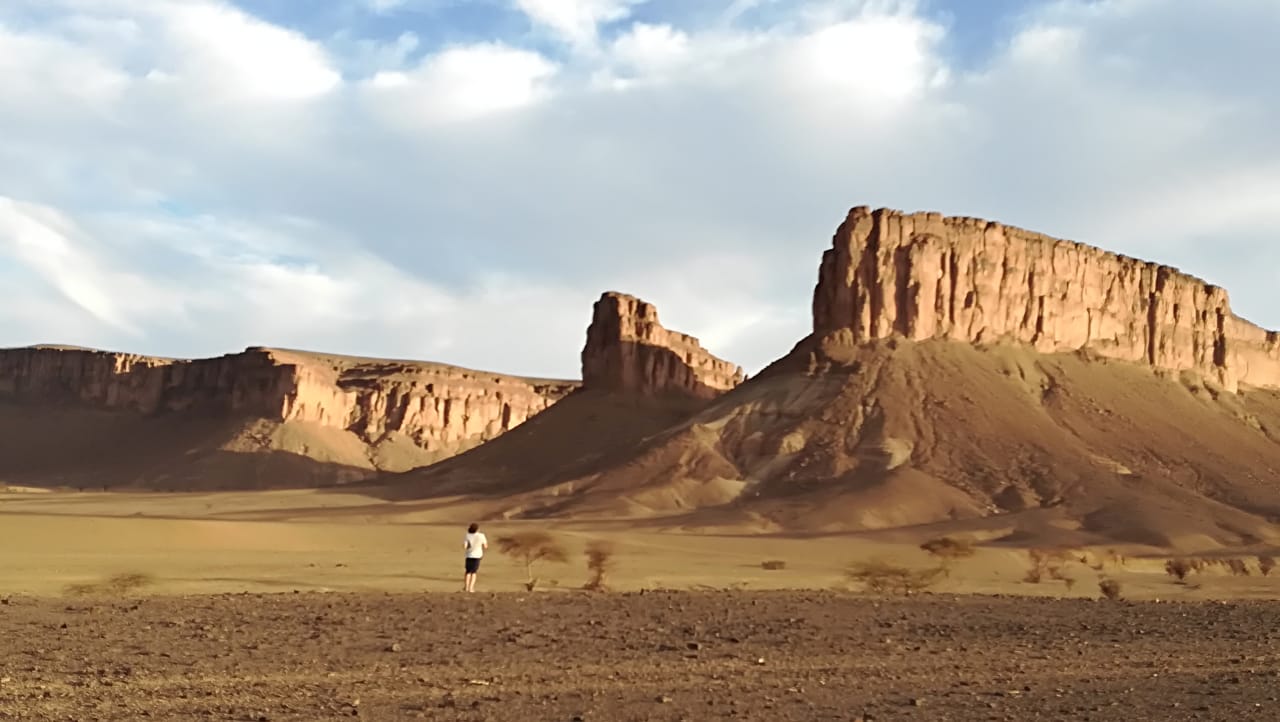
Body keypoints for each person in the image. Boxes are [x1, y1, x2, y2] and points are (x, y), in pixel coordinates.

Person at [462, 522, 488, 592]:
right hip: (477, 555)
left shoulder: (467, 535)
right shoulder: (482, 535)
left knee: (468, 572)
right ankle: (471, 588)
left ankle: (466, 587)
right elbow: (485, 546)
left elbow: (465, 547)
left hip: (469, 555)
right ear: (477, 529)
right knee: (474, 572)